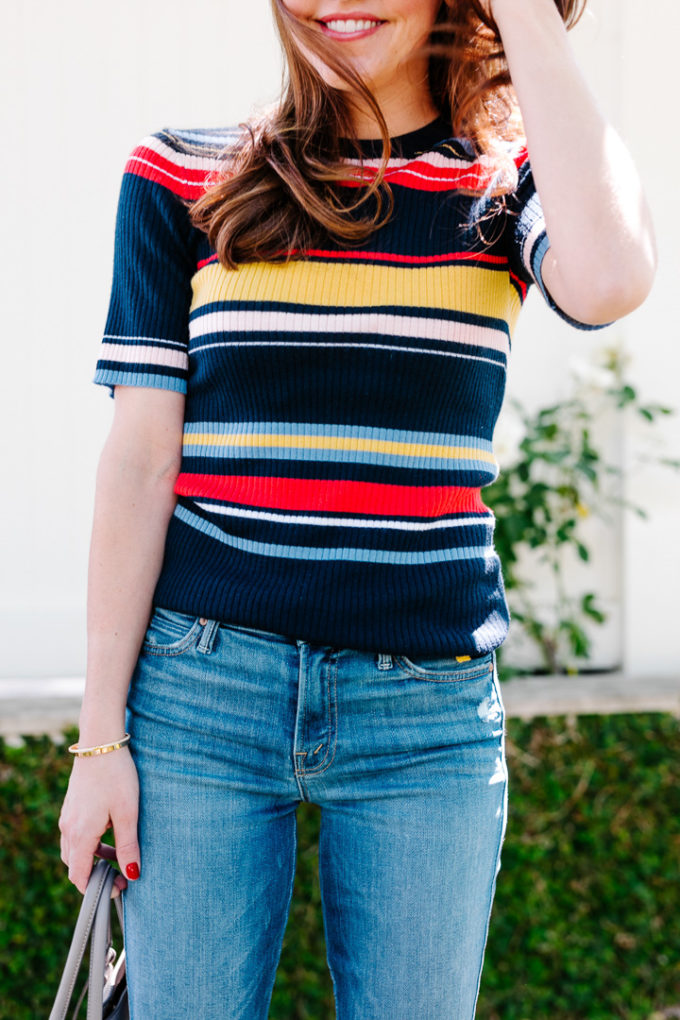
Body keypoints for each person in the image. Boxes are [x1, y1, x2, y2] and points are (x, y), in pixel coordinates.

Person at [57, 1, 656, 1017]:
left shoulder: (511, 186)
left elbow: (605, 278)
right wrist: (99, 741)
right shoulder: (177, 174)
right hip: (201, 692)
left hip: (423, 709)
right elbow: (139, 461)